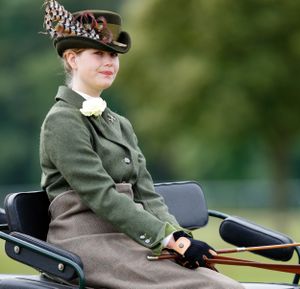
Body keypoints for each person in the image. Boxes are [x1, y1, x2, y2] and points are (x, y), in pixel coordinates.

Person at [40, 1, 244, 288]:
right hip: (85, 241)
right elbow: (102, 195)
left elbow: (147, 194)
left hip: (130, 236)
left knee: (220, 281)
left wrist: (179, 236)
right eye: (99, 53)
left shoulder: (119, 123)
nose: (109, 62)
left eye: (113, 55)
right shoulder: (61, 121)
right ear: (73, 59)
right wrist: (166, 238)